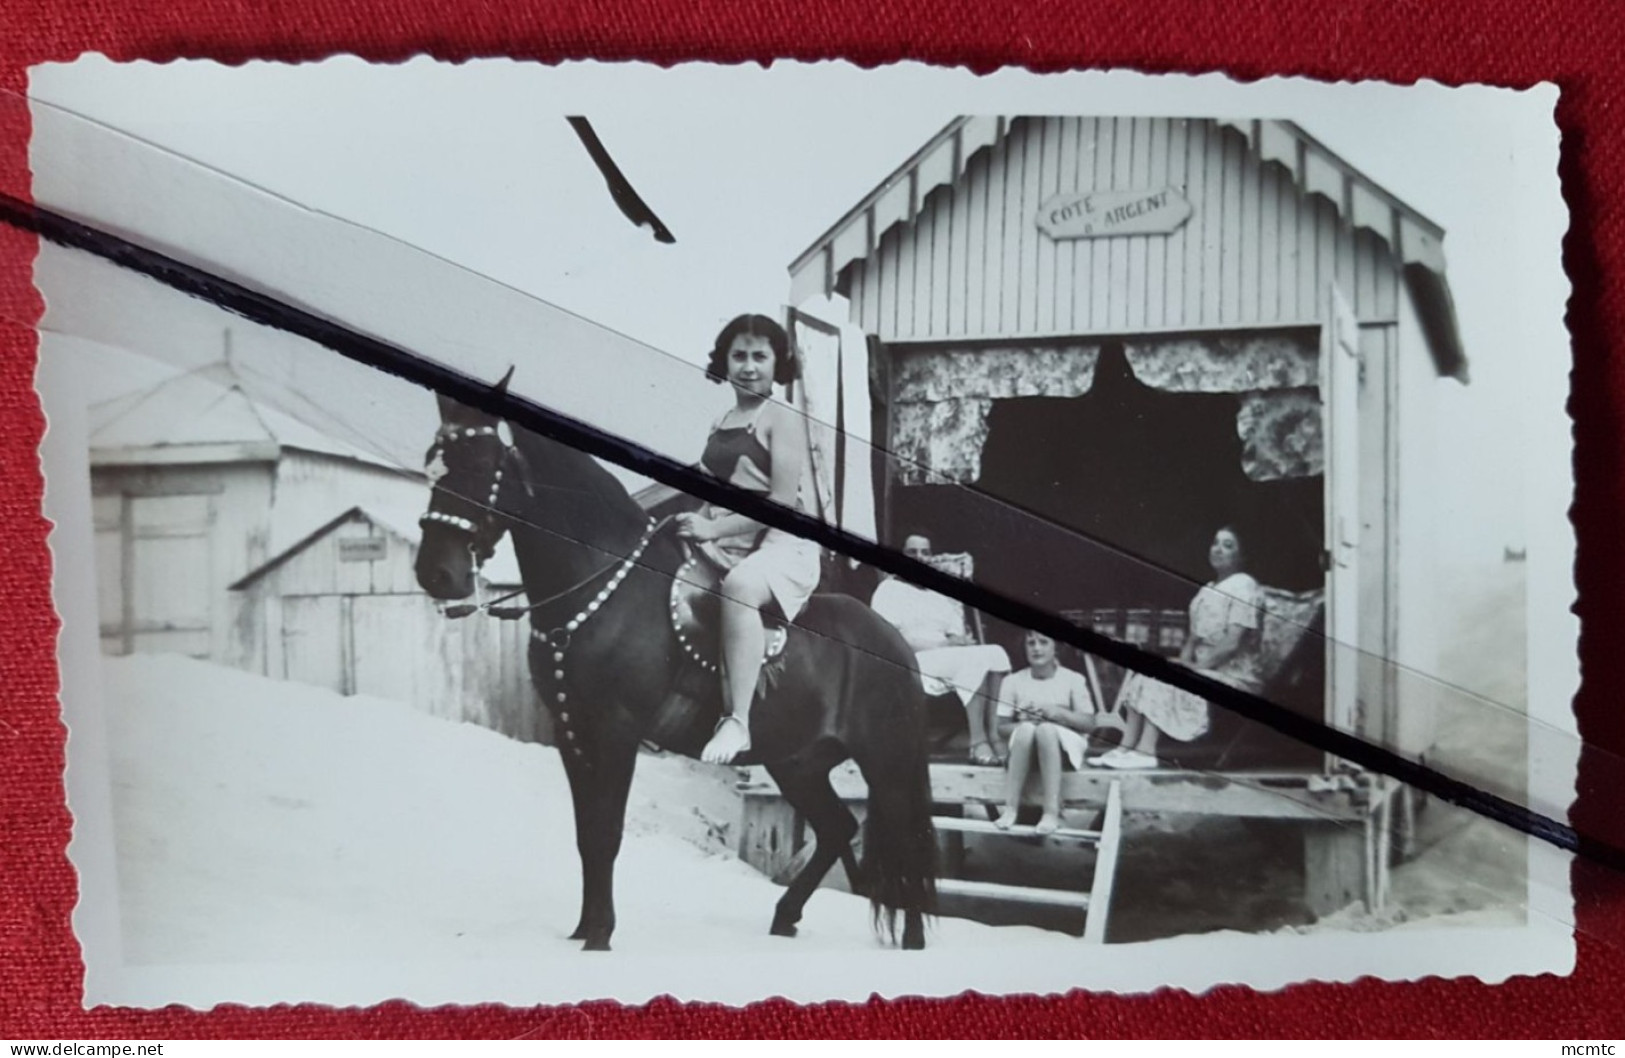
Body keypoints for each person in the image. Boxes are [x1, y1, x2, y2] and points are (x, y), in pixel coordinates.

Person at [674, 314, 823, 764]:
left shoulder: (782, 418)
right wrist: (690, 524)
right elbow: (711, 496)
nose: (749, 366)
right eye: (739, 355)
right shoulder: (722, 420)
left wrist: (713, 529)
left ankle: (737, 721)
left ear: (778, 364)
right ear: (724, 361)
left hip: (784, 542)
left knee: (739, 588)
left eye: (760, 356)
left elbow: (779, 501)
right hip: (734, 538)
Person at [1093, 525, 1265, 770]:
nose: (1218, 549)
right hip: (1206, 667)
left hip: (1234, 673)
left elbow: (1232, 642)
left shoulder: (1244, 586)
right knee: (1147, 671)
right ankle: (1125, 748)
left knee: (1167, 678)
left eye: (1228, 546)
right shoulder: (1208, 588)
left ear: (1242, 556)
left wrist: (1193, 668)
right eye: (1215, 543)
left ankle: (1146, 751)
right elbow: (1194, 638)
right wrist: (1182, 661)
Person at [869, 532, 1012, 764]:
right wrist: (947, 644)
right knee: (971, 661)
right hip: (910, 660)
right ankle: (978, 742)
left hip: (944, 659)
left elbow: (957, 634)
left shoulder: (938, 594)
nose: (920, 557)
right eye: (912, 552)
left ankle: (993, 733)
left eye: (925, 552)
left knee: (996, 653)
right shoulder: (888, 591)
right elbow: (891, 640)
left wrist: (962, 642)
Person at [992, 630, 1106, 835]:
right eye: (1031, 643)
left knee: (1046, 730)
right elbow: (1001, 728)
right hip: (1025, 747)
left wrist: (1059, 713)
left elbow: (1089, 724)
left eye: (1044, 642)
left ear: (1056, 648)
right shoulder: (1013, 681)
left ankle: (1050, 811)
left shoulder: (1073, 679)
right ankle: (1010, 808)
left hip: (1064, 748)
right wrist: (1026, 722)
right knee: (1027, 729)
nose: (1036, 648)